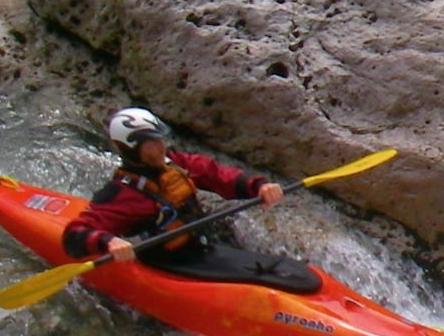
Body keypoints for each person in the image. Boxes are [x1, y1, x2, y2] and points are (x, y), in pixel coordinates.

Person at [63, 106, 285, 270]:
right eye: (151, 142)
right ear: (131, 148)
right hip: (168, 266)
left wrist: (258, 186)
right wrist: (108, 241)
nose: (161, 147)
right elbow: (74, 235)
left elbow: (215, 174)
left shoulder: (174, 164)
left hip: (201, 249)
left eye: (160, 139)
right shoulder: (123, 194)